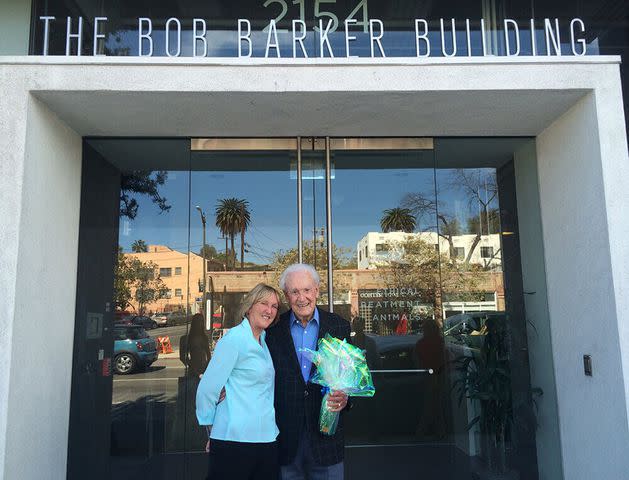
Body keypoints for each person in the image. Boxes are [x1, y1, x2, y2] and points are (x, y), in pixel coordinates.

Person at [266, 263, 351, 480]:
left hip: (326, 439)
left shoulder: (339, 326)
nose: (301, 297)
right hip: (285, 439)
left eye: (306, 290)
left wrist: (345, 398)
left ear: (317, 291)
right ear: (286, 295)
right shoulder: (273, 330)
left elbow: (350, 375)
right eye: (294, 291)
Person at [196, 283, 282, 480]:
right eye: (264, 303)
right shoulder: (234, 340)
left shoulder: (263, 340)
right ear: (250, 306)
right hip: (234, 441)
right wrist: (211, 430)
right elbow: (207, 390)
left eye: (275, 306)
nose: (269, 310)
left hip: (266, 438)